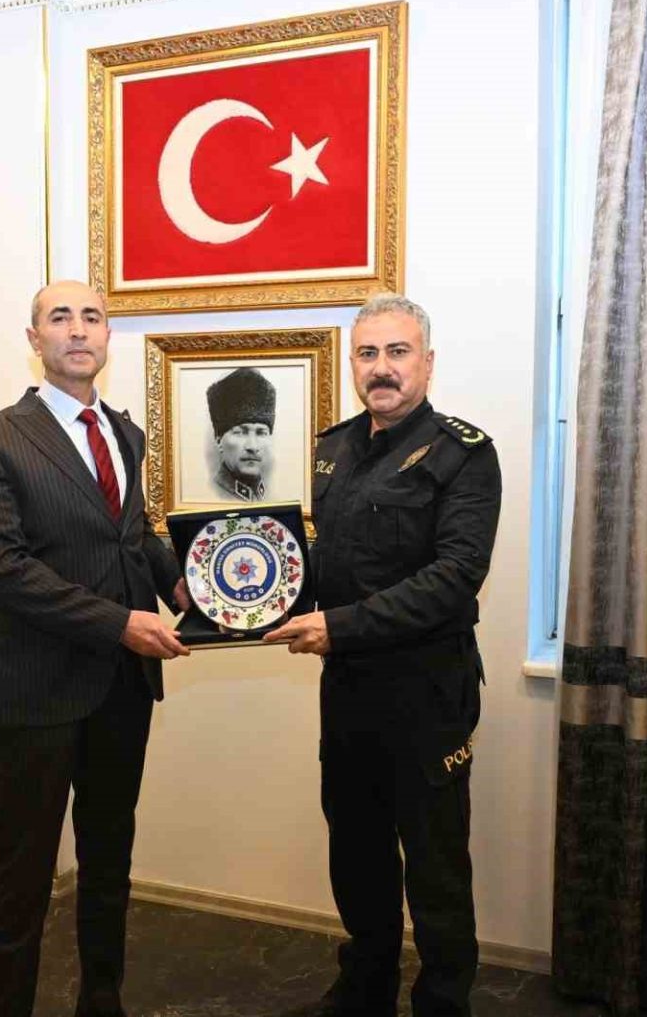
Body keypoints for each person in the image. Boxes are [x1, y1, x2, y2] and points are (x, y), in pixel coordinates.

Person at [0, 279, 191, 1017]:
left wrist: (183, 585)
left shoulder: (124, 432)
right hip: (35, 688)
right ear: (35, 340)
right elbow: (1, 569)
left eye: (93, 317)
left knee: (109, 862)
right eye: (61, 318)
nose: (79, 330)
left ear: (108, 335)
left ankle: (102, 998)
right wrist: (120, 622)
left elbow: (132, 533)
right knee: (22, 877)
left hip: (122, 687)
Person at [264, 293, 501, 1017]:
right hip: (350, 693)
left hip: (427, 694)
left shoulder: (465, 454)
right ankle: (363, 990)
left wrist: (339, 626)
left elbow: (453, 578)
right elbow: (325, 562)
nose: (382, 368)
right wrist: (246, 592)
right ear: (352, 363)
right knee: (357, 853)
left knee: (435, 867)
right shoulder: (333, 449)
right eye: (367, 353)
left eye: (398, 352)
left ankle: (442, 1002)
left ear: (427, 362)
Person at [205, 366, 276, 501]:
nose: (252, 446)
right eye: (240, 432)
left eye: (261, 433)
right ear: (218, 439)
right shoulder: (208, 495)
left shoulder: (269, 496)